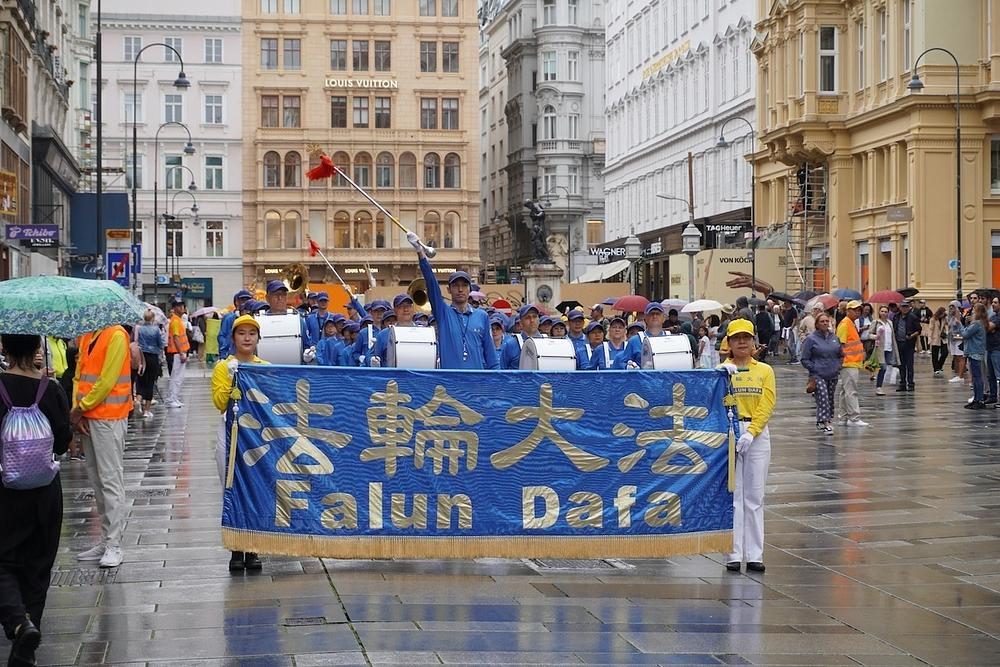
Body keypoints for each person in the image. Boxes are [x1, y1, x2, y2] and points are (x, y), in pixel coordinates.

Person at [0, 334, 72, 667]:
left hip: (4, 492)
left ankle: (17, 621)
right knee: (38, 568)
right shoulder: (51, 390)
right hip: (45, 493)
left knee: (4, 562)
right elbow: (61, 444)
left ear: (4, 348)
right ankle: (27, 645)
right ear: (37, 349)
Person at [72, 324, 133, 568]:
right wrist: (79, 409)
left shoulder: (117, 335)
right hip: (89, 416)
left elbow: (107, 380)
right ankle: (106, 538)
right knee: (97, 480)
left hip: (109, 416)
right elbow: (79, 375)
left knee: (110, 480)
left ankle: (114, 543)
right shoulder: (87, 335)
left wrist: (80, 407)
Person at [210, 315, 267, 571]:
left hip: (255, 437)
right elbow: (219, 403)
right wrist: (232, 381)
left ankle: (253, 549)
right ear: (233, 338)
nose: (247, 338)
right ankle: (236, 549)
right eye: (241, 333)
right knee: (232, 489)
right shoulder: (223, 367)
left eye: (251, 333)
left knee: (255, 490)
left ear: (257, 339)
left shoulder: (264, 366)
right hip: (230, 434)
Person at [719, 320, 775, 573]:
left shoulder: (764, 370)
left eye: (746, 338)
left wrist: (751, 433)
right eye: (736, 338)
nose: (742, 342)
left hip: (756, 434)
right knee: (733, 496)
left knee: (754, 496)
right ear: (729, 343)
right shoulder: (722, 370)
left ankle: (754, 554)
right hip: (729, 432)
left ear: (754, 342)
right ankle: (733, 553)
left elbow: (767, 404)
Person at [409, 232, 498, 370]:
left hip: (476, 384)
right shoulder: (443, 313)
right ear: (449, 290)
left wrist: (497, 382)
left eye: (464, 286)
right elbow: (432, 285)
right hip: (450, 384)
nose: (460, 289)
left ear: (470, 289)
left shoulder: (482, 316)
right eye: (456, 286)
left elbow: (490, 355)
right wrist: (421, 253)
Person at [800, 312, 842, 434]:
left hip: (833, 373)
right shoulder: (811, 339)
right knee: (822, 396)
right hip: (818, 374)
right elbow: (804, 358)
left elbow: (840, 353)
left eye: (826, 321)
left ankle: (825, 419)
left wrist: (838, 366)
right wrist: (814, 368)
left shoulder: (834, 338)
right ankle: (825, 421)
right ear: (817, 324)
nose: (824, 323)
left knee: (830, 398)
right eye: (822, 321)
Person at [835, 300, 868, 427]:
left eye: (859, 310)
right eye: (855, 310)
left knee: (845, 391)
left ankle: (843, 417)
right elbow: (840, 344)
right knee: (851, 391)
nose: (858, 312)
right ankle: (854, 417)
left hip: (851, 362)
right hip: (848, 363)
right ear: (848, 311)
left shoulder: (850, 323)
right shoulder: (845, 324)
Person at [613, 302, 674, 369]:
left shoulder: (672, 339)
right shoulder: (634, 341)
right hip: (642, 379)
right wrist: (627, 367)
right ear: (645, 318)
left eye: (658, 314)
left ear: (664, 318)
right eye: (651, 314)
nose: (654, 316)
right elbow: (621, 362)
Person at [135, 310, 165, 418]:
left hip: (142, 356)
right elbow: (161, 344)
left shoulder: (140, 329)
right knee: (150, 382)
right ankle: (146, 410)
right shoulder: (156, 330)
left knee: (141, 379)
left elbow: (137, 341)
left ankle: (138, 399)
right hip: (153, 357)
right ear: (152, 318)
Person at [500, 304, 545, 369]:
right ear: (521, 323)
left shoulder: (547, 342)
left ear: (538, 320)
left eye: (534, 317)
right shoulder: (511, 344)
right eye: (528, 318)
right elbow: (503, 371)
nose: (532, 320)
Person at [962, 303, 989, 409]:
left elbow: (965, 334)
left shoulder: (977, 323)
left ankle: (979, 400)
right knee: (976, 377)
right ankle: (977, 399)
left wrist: (960, 324)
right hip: (975, 352)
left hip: (975, 352)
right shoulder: (979, 323)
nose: (972, 311)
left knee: (977, 378)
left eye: (974, 310)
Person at [164, 299, 189, 409]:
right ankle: (171, 399)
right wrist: (181, 352)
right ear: (174, 308)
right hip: (176, 353)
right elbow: (176, 337)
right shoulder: (175, 321)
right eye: (179, 306)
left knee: (178, 377)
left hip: (178, 353)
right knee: (176, 377)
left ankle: (174, 398)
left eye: (182, 305)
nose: (182, 308)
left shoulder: (177, 320)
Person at [217, 290, 253, 360]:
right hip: (230, 356)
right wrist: (225, 353)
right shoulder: (229, 318)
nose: (245, 302)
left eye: (248, 300)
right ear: (237, 302)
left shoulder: (253, 317)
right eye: (243, 300)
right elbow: (221, 336)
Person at [894, 300, 921, 392]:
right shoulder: (896, 317)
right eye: (903, 307)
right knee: (901, 365)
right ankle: (902, 383)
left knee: (909, 365)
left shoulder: (913, 317)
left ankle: (910, 384)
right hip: (899, 343)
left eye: (906, 307)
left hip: (909, 344)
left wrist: (911, 336)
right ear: (900, 308)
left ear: (909, 307)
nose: (905, 308)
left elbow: (918, 330)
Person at [872, 305, 895, 396]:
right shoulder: (876, 322)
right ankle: (879, 387)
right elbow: (870, 334)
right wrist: (875, 337)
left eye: (886, 311)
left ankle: (880, 384)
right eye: (882, 311)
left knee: (885, 368)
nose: (884, 313)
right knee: (883, 367)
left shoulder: (890, 323)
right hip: (880, 348)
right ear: (879, 312)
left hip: (889, 348)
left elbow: (892, 335)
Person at [947, 301, 967, 384]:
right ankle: (958, 374)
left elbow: (962, 327)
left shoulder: (960, 316)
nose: (951, 308)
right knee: (956, 357)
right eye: (950, 306)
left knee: (960, 357)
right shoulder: (951, 317)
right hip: (953, 339)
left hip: (959, 339)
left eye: (953, 306)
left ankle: (961, 375)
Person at [986, 298, 1000, 405]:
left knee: (998, 375)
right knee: (991, 375)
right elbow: (988, 327)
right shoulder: (993, 317)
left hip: (997, 349)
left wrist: (990, 327)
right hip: (990, 347)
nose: (993, 304)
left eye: (995, 303)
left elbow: (989, 327)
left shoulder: (998, 318)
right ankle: (993, 396)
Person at [929, 306, 949, 376]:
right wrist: (930, 339)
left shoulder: (945, 318)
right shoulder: (933, 319)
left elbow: (947, 325)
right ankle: (936, 369)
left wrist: (946, 331)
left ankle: (939, 366)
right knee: (935, 355)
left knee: (945, 353)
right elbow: (930, 329)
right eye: (942, 313)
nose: (943, 315)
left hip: (942, 338)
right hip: (935, 338)